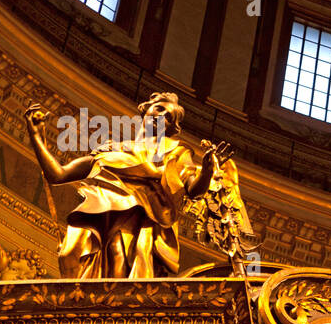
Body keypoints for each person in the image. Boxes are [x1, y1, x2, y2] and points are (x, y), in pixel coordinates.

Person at [24, 92, 219, 278]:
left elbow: (193, 190)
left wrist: (207, 172)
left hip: (140, 222)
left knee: (118, 254)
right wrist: (36, 137)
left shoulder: (177, 154)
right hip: (101, 215)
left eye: (168, 117)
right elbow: (58, 175)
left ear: (171, 128)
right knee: (79, 255)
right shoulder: (112, 150)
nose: (161, 116)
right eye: (159, 109)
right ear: (145, 110)